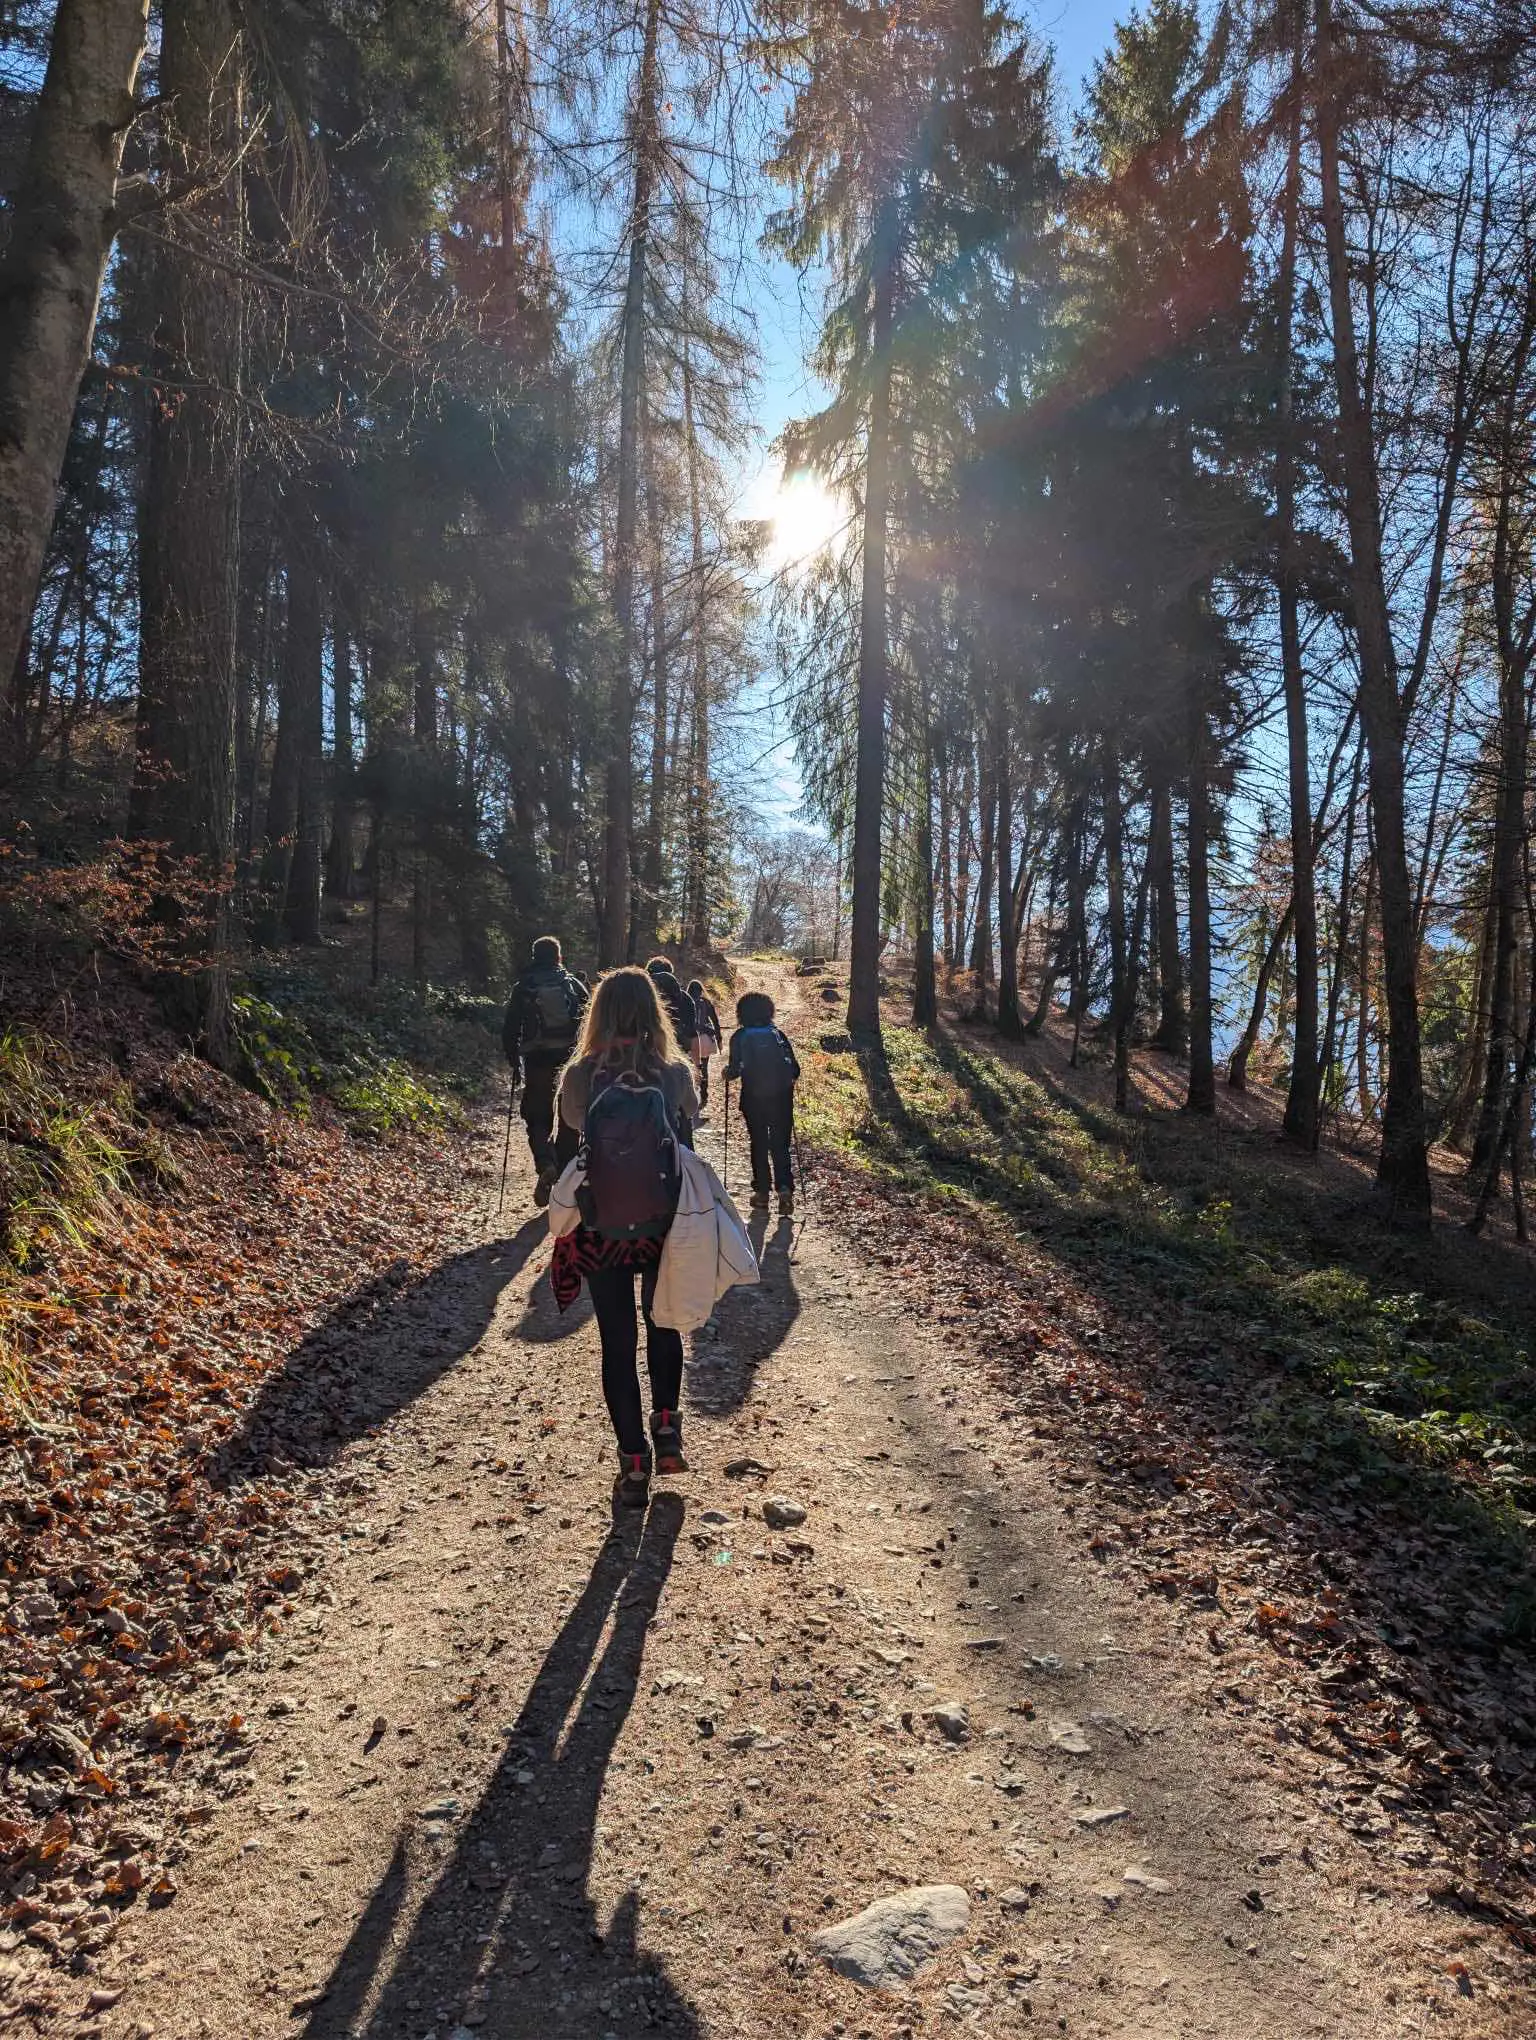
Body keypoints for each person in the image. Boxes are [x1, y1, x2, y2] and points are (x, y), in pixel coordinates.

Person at [554, 968, 701, 1507]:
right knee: (664, 1323)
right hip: (664, 1224)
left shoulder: (580, 1074)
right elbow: (691, 1119)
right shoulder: (673, 1071)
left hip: (602, 1228)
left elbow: (570, 1128)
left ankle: (633, 1465)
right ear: (654, 1012)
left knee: (617, 1344)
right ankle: (667, 1428)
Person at [502, 936, 588, 1207]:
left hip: (537, 1060)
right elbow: (589, 1022)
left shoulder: (524, 987)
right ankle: (563, 1179)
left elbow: (510, 1028)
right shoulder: (572, 984)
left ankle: (545, 1162)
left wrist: (514, 1061)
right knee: (569, 1117)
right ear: (558, 956)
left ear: (534, 956)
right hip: (569, 1062)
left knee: (537, 1116)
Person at [723, 990, 801, 1217]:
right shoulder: (777, 1034)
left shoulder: (740, 1036)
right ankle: (784, 1189)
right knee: (780, 1144)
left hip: (753, 1099)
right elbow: (795, 1070)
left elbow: (734, 1071)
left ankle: (762, 1193)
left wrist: (726, 1073)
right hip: (782, 1098)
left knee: (758, 1143)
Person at [688, 977, 722, 1109]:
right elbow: (715, 1021)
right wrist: (719, 1039)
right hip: (706, 1039)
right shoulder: (706, 1003)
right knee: (704, 1067)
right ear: (701, 990)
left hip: (691, 1039)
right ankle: (704, 1095)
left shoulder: (686, 1001)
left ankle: (692, 1095)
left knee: (692, 1067)